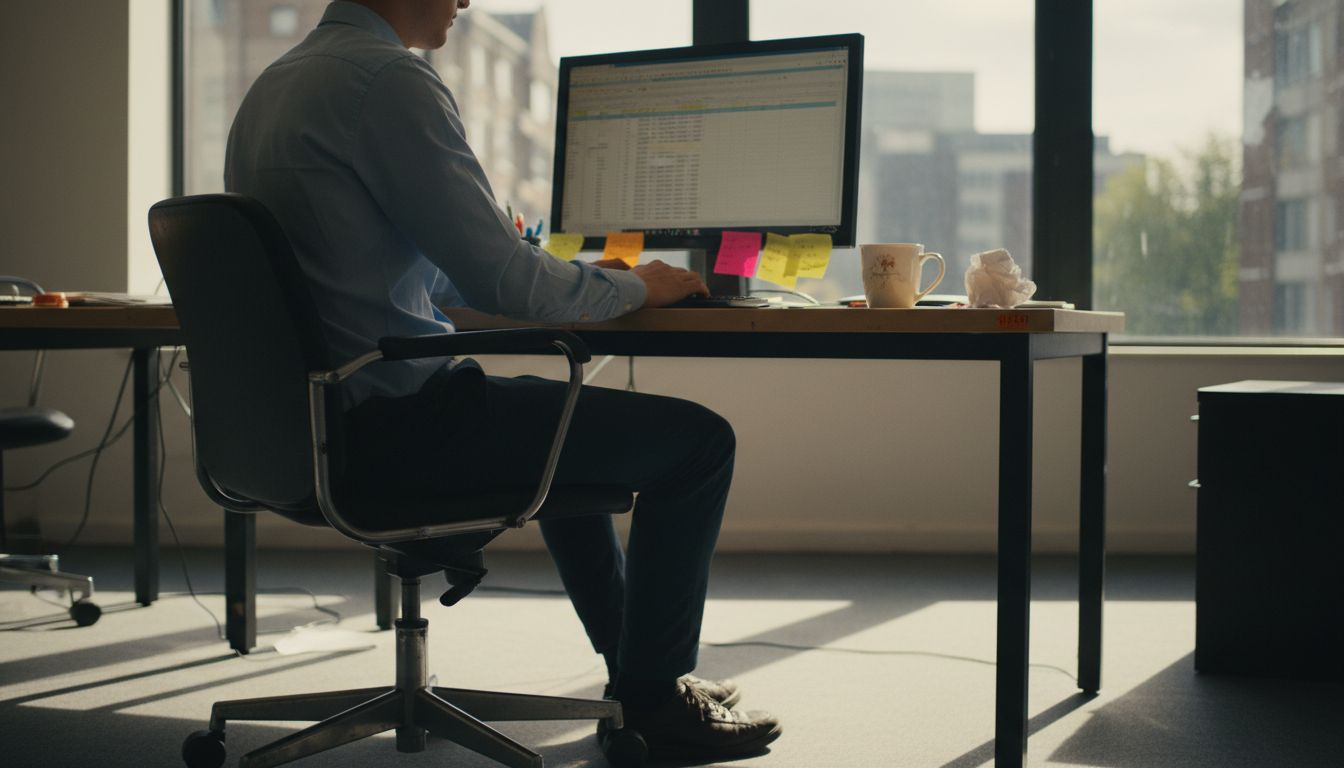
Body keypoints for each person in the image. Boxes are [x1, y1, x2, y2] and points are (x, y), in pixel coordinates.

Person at [223, 0, 781, 761]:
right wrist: (640, 285)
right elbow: (508, 282)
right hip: (401, 427)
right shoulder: (388, 80)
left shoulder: (278, 83)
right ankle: (655, 702)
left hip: (315, 427)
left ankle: (636, 678)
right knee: (700, 443)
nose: (464, 1)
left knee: (558, 429)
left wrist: (553, 275)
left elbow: (377, 269)